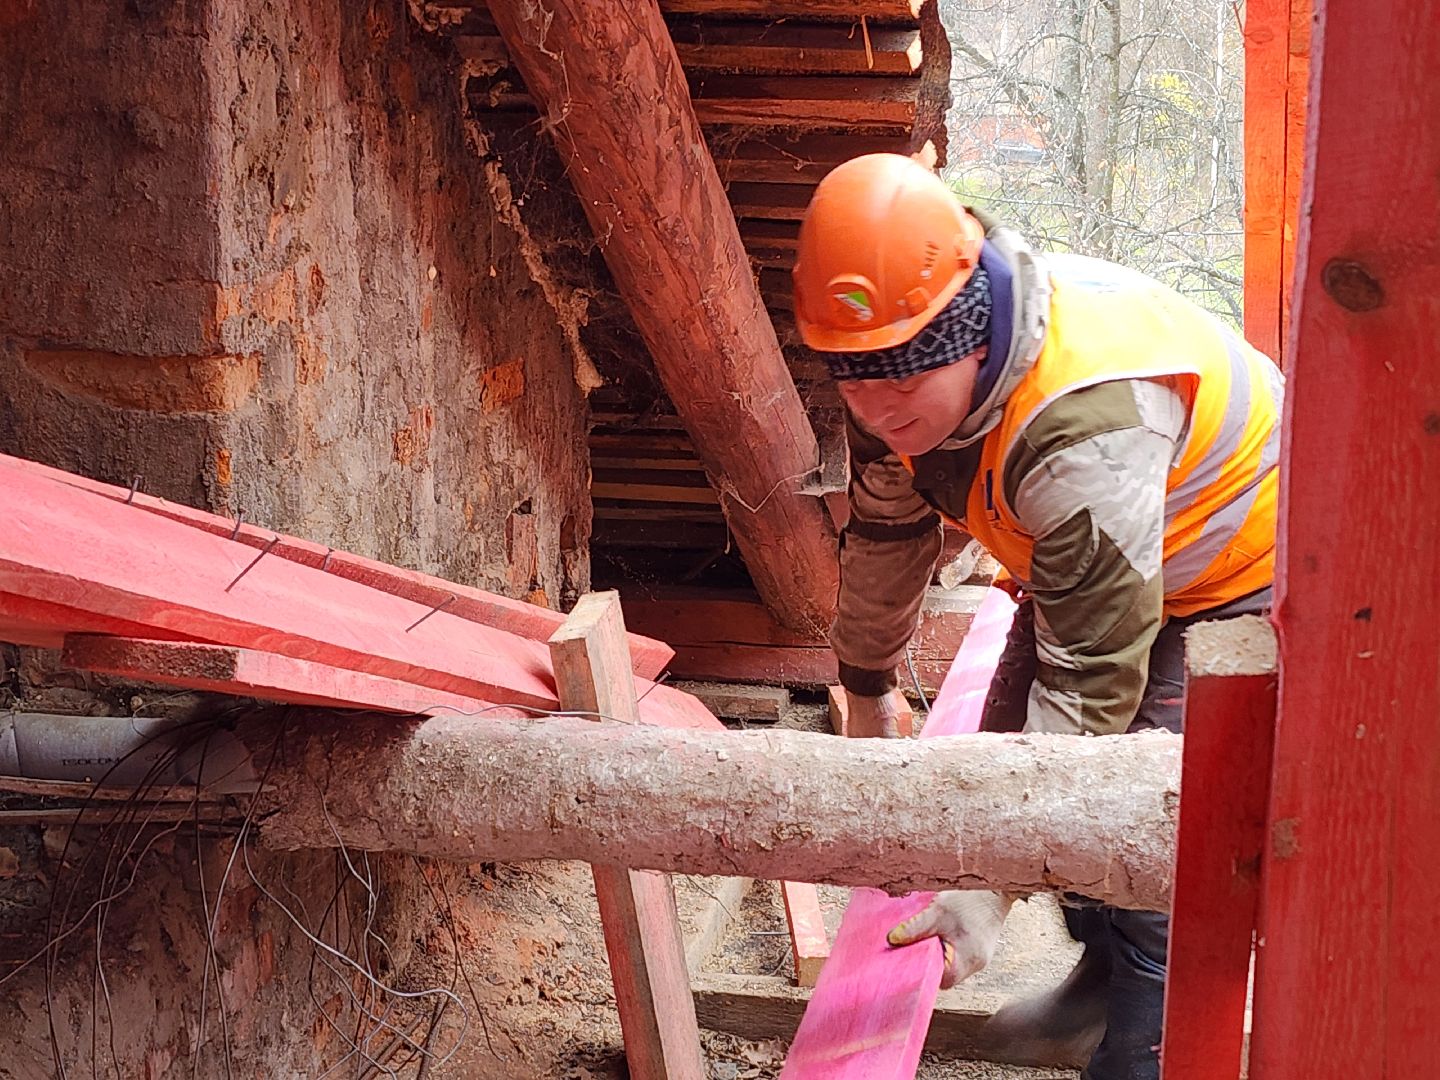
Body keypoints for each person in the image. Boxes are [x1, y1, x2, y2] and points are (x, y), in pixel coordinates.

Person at [794, 153, 1281, 1080]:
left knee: (1146, 832)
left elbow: (1093, 683)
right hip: (1117, 563)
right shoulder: (892, 371)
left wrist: (989, 890)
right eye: (855, 386)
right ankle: (1100, 977)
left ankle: (1144, 1051)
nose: (878, 411)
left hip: (1238, 572)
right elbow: (889, 536)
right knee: (1004, 749)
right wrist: (866, 689)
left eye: (899, 386)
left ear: (970, 342)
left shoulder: (1083, 423)